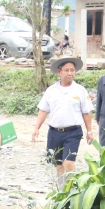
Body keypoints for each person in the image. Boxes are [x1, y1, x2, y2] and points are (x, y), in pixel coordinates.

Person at [32, 57, 94, 188]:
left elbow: (86, 113)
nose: (70, 73)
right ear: (59, 72)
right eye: (66, 70)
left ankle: (73, 188)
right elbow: (44, 110)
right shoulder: (51, 90)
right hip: (54, 132)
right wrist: (36, 128)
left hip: (73, 132)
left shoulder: (80, 90)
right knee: (58, 164)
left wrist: (89, 131)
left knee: (69, 162)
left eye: (72, 70)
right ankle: (61, 191)